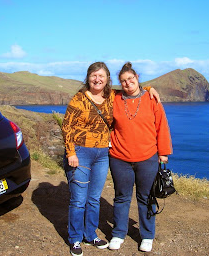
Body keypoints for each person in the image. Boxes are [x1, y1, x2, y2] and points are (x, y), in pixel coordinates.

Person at [61, 61, 159, 256]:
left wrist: (148, 88)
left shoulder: (110, 95)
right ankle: (75, 238)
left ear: (107, 81)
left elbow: (132, 88)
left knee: (94, 198)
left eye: (101, 77)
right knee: (79, 199)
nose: (97, 79)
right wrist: (70, 152)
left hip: (102, 154)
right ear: (88, 78)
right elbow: (67, 127)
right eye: (93, 76)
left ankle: (90, 234)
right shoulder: (78, 99)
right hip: (80, 153)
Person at [108, 62, 172, 253]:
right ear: (120, 84)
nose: (128, 83)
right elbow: (97, 91)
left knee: (146, 197)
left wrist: (164, 153)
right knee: (121, 197)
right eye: (123, 81)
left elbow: (162, 126)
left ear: (137, 78)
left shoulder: (152, 99)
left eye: (131, 79)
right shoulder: (114, 98)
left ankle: (147, 235)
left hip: (147, 157)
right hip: (119, 157)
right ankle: (118, 234)